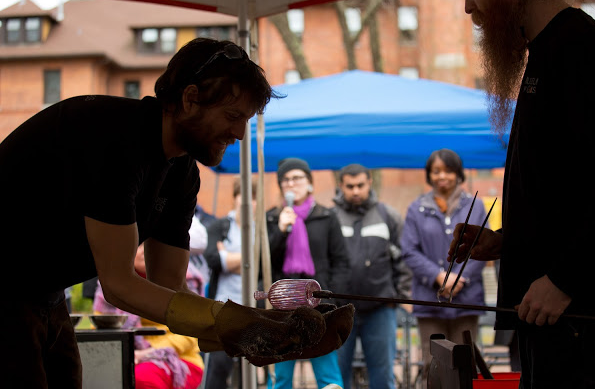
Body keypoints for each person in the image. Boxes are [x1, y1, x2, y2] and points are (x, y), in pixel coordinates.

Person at [1, 38, 353, 388]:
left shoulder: (181, 171)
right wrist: (242, 325)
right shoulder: (116, 139)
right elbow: (119, 286)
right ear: (190, 99)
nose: (240, 134)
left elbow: (168, 286)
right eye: (233, 116)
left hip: (42, 293)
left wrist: (261, 323)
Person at [449, 0, 595, 387]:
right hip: (550, 323)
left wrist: (565, 279)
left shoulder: (585, 50)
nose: (468, 6)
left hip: (585, 325)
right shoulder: (546, 51)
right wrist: (508, 239)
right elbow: (571, 193)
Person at [401, 149, 488, 382]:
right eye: (436, 171)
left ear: (458, 173)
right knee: (434, 365)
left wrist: (460, 278)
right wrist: (438, 276)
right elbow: (408, 250)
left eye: (448, 171)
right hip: (429, 300)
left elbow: (483, 246)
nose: (442, 177)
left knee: (466, 363)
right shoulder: (416, 208)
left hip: (467, 299)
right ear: (429, 175)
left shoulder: (476, 206)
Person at [266, 157, 353, 389]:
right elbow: (263, 261)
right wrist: (280, 231)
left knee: (327, 373)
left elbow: (341, 261)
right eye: (285, 180)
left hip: (319, 306)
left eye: (297, 178)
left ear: (310, 182)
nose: (291, 184)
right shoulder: (272, 218)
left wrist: (331, 299)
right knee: (281, 375)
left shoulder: (326, 217)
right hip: (283, 308)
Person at [332, 163, 412, 389]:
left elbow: (405, 258)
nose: (355, 191)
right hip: (339, 312)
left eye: (360, 185)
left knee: (383, 377)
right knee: (337, 378)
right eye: (350, 186)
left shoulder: (388, 216)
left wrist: (397, 297)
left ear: (370, 183)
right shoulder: (331, 218)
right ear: (341, 186)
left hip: (380, 310)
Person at [94, 244, 206, 389]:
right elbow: (102, 327)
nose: (144, 250)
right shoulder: (111, 282)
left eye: (151, 243)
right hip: (125, 357)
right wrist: (126, 355)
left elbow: (190, 335)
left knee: (141, 378)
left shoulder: (183, 279)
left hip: (178, 359)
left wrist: (146, 353)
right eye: (139, 244)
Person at [205, 176, 257, 389]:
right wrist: (249, 257)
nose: (247, 202)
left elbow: (262, 260)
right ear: (235, 197)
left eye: (253, 197)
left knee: (249, 366)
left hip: (252, 308)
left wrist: (229, 258)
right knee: (218, 364)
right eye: (243, 195)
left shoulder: (260, 228)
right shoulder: (220, 225)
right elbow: (213, 259)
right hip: (222, 306)